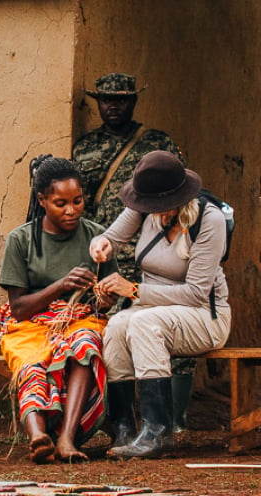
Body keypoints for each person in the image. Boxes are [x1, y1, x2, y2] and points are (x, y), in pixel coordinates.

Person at [73, 71, 194, 432]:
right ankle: (118, 421)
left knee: (172, 333)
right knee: (112, 333)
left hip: (156, 258)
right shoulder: (85, 147)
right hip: (108, 257)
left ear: (134, 101)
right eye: (107, 100)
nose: (113, 106)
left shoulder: (157, 144)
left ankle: (173, 419)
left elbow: (176, 194)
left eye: (122, 99)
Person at [90, 151, 231, 458]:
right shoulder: (145, 206)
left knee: (142, 322)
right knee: (115, 326)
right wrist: (100, 246)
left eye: (164, 208)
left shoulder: (210, 219)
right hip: (153, 310)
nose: (159, 214)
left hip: (205, 316)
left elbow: (195, 293)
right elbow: (110, 238)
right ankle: (124, 428)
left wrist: (135, 290)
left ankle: (157, 432)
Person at [0, 155, 119, 464]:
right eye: (60, 203)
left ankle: (66, 438)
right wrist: (61, 285)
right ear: (42, 200)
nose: (71, 210)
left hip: (80, 321)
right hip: (31, 324)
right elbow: (19, 309)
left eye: (77, 201)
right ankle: (38, 435)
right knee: (32, 364)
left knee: (85, 345)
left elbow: (106, 300)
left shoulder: (96, 237)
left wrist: (105, 298)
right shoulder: (21, 239)